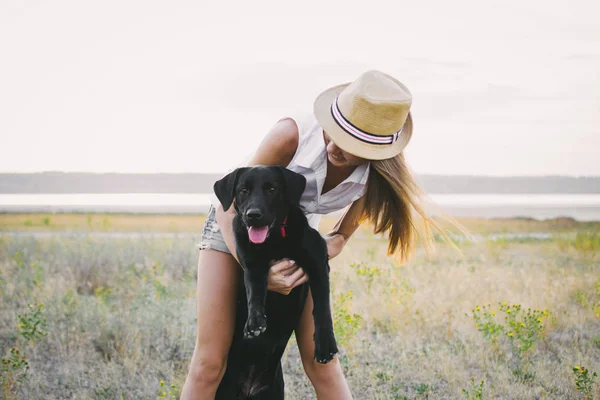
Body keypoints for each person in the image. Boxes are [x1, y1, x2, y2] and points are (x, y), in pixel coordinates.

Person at [180, 70, 463, 399]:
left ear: (378, 151)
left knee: (323, 362)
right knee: (209, 363)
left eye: (351, 143)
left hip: (296, 235)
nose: (335, 146)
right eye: (335, 132)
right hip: (236, 228)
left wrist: (325, 248)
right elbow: (229, 209)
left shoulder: (375, 176)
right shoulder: (290, 136)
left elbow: (343, 233)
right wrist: (254, 269)